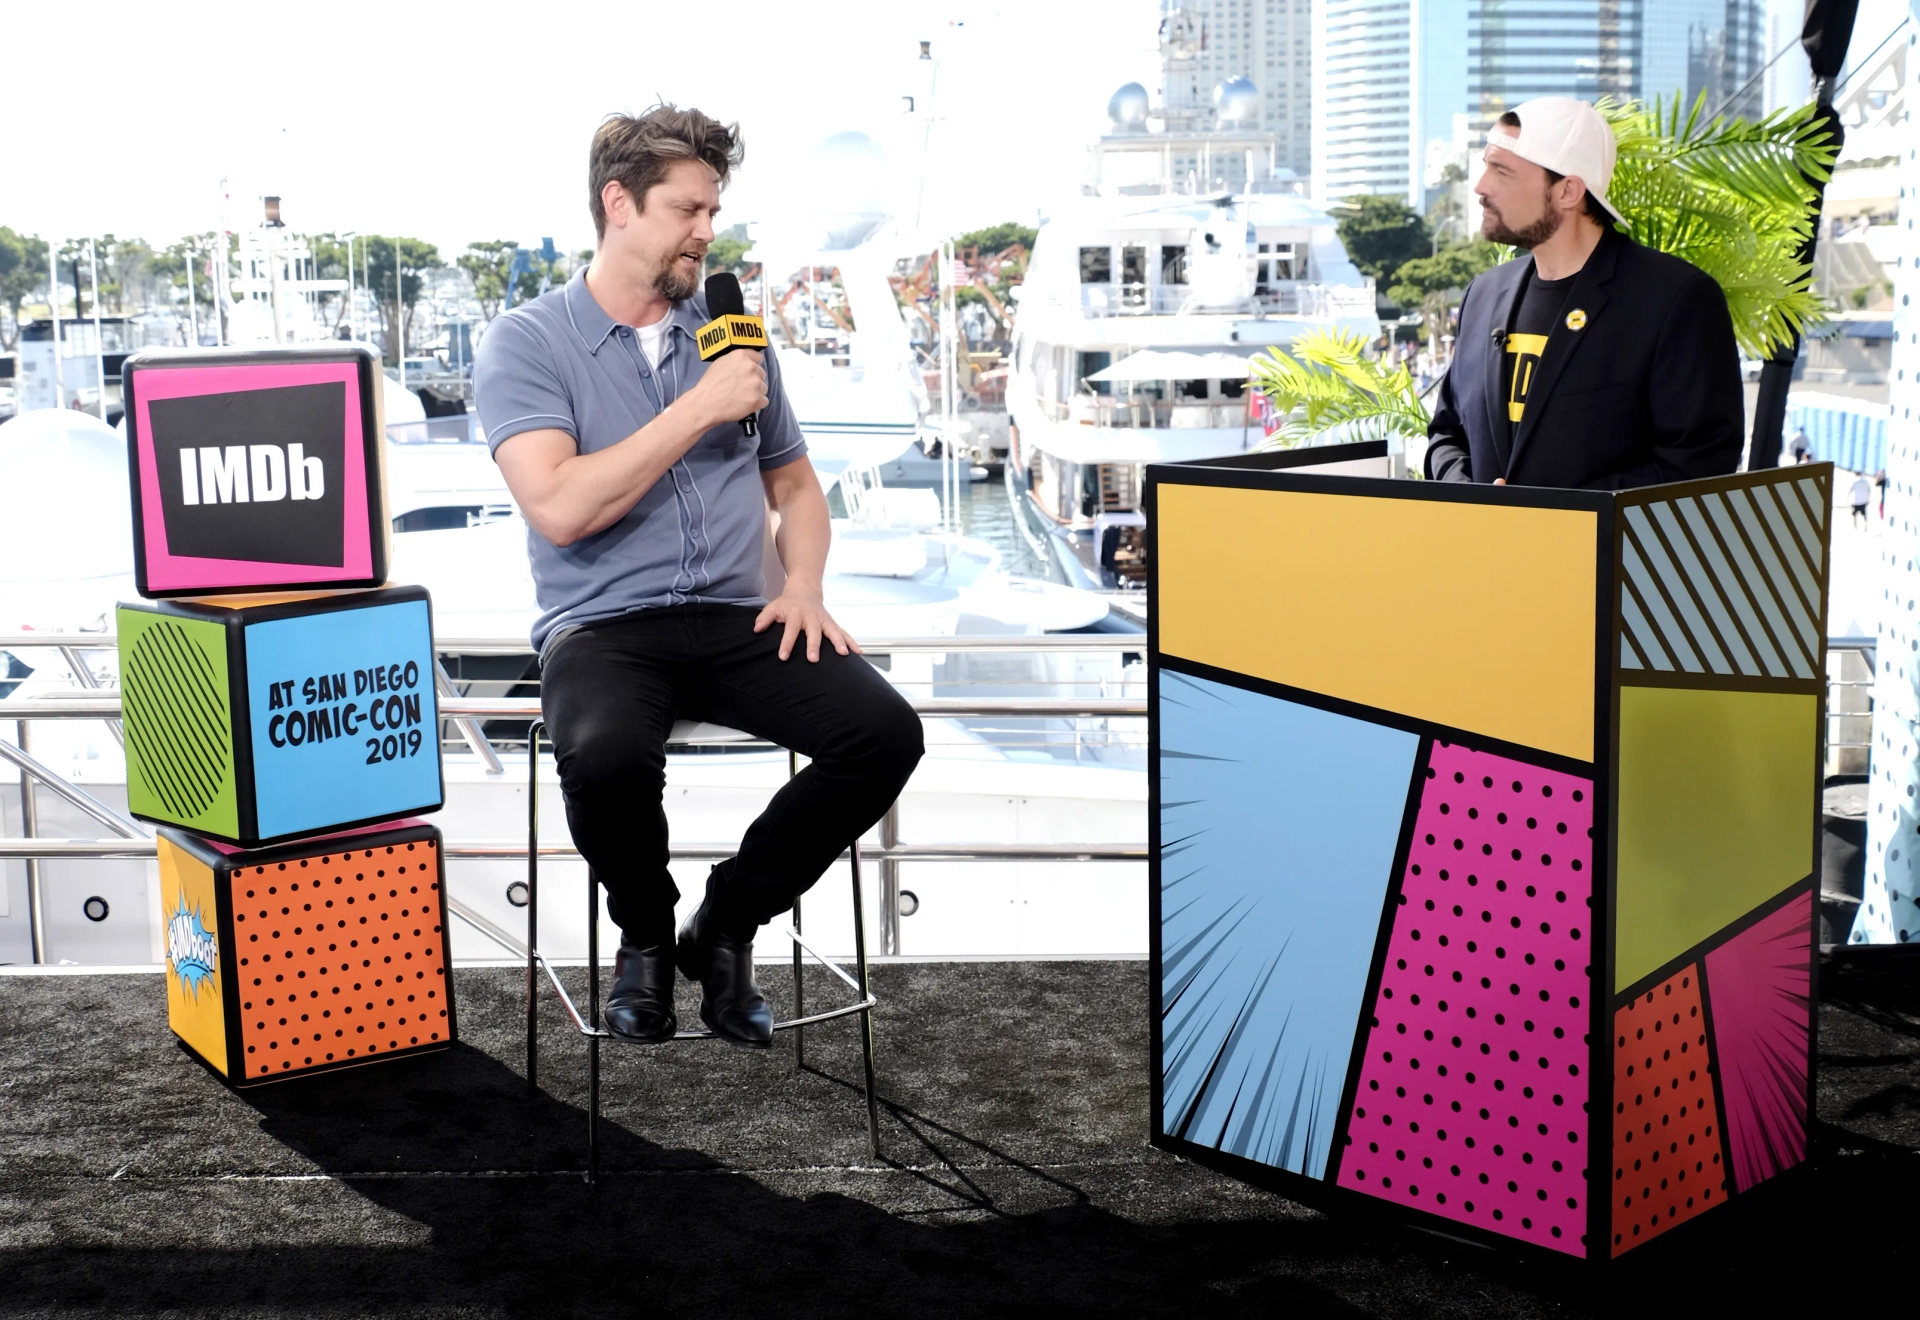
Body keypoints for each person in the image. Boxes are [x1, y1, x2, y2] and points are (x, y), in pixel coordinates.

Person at [473, 106, 924, 1048]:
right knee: (600, 756)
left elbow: (795, 486)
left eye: (714, 209)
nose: (707, 232)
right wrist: (699, 408)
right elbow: (559, 506)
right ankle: (644, 934)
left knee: (884, 734)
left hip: (735, 616)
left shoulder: (732, 336)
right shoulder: (527, 342)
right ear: (619, 205)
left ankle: (724, 925)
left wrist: (802, 587)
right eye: (688, 209)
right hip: (605, 625)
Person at [1424, 98, 1744, 489]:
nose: (1480, 186)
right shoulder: (1483, 295)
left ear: (1568, 191)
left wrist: (1554, 518)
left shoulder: (1675, 300)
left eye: (1501, 171)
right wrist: (1472, 499)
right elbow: (1446, 433)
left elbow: (1698, 463)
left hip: (1603, 549)